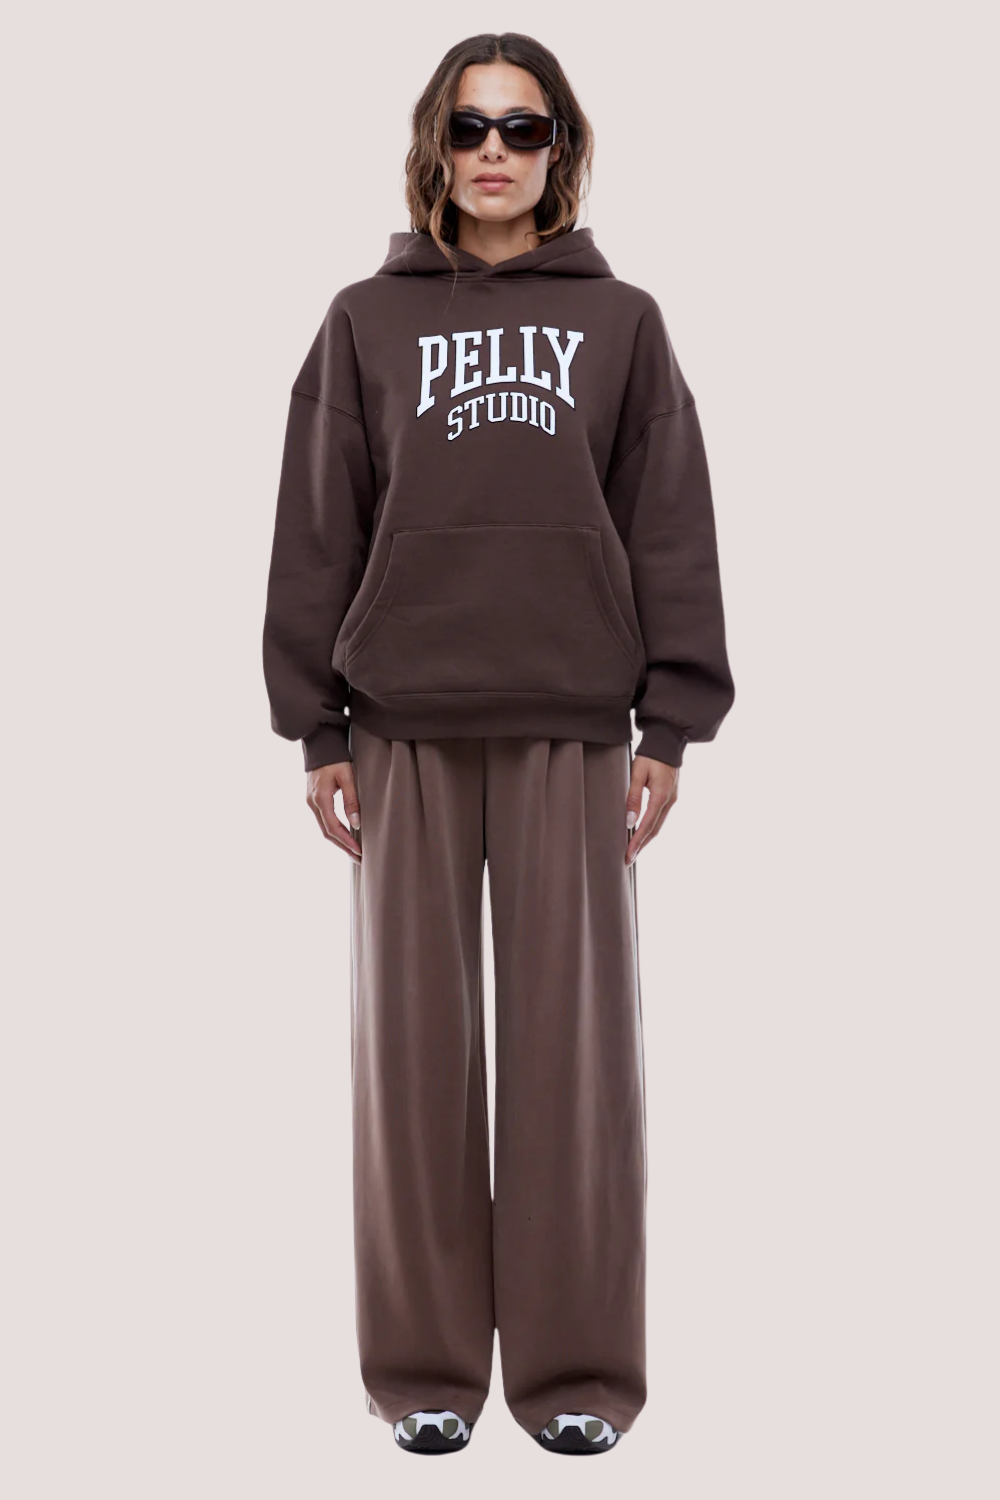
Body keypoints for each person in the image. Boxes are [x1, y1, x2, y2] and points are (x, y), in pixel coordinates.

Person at [262, 31, 734, 1457]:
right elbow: (319, 525)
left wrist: (672, 720)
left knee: (573, 1070)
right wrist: (316, 726)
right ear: (434, 145)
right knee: (411, 1064)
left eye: (523, 129)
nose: (493, 153)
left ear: (559, 151)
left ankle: (576, 1374)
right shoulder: (364, 321)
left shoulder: (625, 323)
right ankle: (423, 1373)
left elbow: (668, 521)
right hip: (400, 727)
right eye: (469, 127)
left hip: (573, 725)